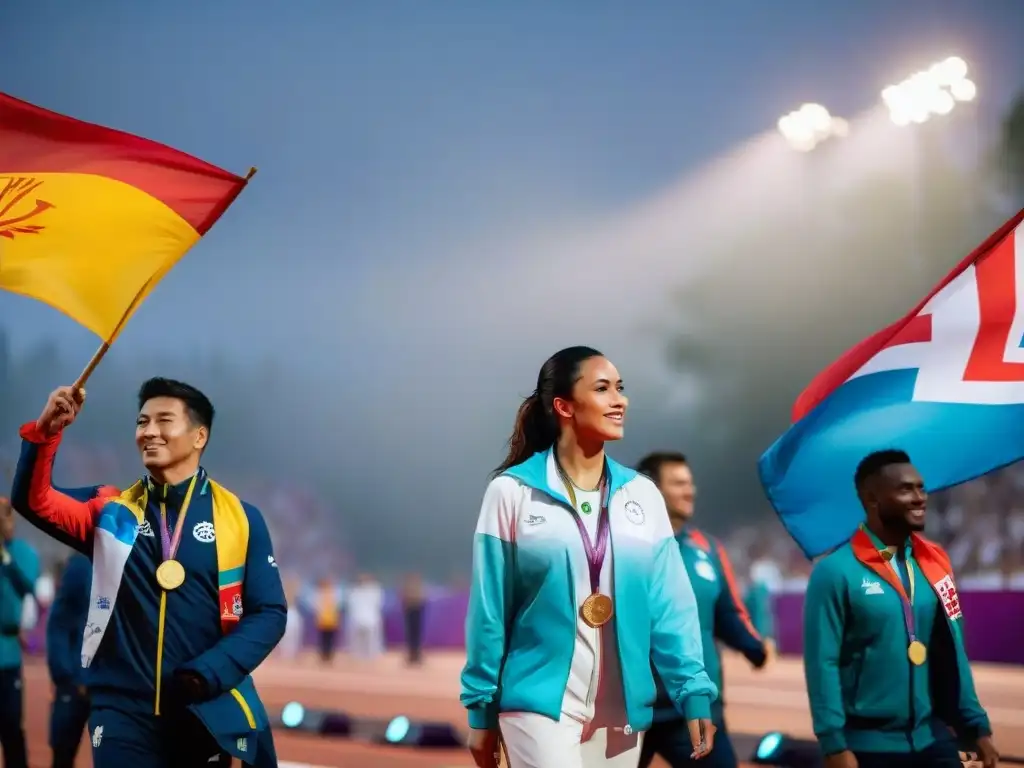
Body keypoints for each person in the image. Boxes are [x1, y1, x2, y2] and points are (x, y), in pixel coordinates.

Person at [461, 346, 718, 768]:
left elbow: (672, 606)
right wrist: (481, 710)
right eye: (602, 389)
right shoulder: (511, 493)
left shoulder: (643, 495)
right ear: (563, 405)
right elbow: (490, 612)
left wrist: (693, 692)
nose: (620, 400)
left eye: (620, 388)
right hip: (539, 704)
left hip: (621, 716)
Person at [11, 378, 287, 768]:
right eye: (142, 422)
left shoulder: (241, 519)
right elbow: (34, 501)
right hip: (121, 712)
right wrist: (46, 434)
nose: (148, 432)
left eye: (164, 421)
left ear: (198, 436)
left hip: (203, 708)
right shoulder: (112, 511)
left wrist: (210, 672)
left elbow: (269, 612)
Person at [804, 450, 998, 768]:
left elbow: (953, 649)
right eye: (906, 489)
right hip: (868, 747)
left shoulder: (936, 562)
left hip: (931, 738)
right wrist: (833, 745)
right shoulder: (835, 573)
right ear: (872, 499)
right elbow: (821, 663)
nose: (920, 498)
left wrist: (975, 726)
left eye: (921, 488)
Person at [635, 452, 769, 768]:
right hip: (631, 710)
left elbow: (728, 612)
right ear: (652, 489)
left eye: (691, 483)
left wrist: (754, 647)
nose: (690, 490)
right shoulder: (621, 547)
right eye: (679, 483)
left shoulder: (707, 548)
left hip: (694, 706)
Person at [0, 497, 40, 768]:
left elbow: (28, 586)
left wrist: (4, 556)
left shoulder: (22, 552)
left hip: (7, 656)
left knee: (11, 728)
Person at [47, 551, 92, 768]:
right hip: (75, 682)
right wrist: (67, 675)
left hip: (115, 684)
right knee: (63, 753)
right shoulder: (82, 564)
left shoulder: (139, 558)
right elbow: (59, 621)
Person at [346, 573, 384, 660]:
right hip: (359, 619)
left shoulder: (374, 590)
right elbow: (351, 605)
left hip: (370, 619)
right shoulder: (355, 591)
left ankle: (370, 656)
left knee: (370, 642)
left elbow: (378, 604)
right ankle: (360, 657)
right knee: (359, 642)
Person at [401, 572, 425, 666]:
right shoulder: (408, 589)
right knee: (410, 635)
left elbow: (422, 600)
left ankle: (416, 655)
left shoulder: (419, 589)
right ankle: (411, 655)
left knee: (417, 635)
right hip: (410, 613)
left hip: (417, 612)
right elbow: (404, 600)